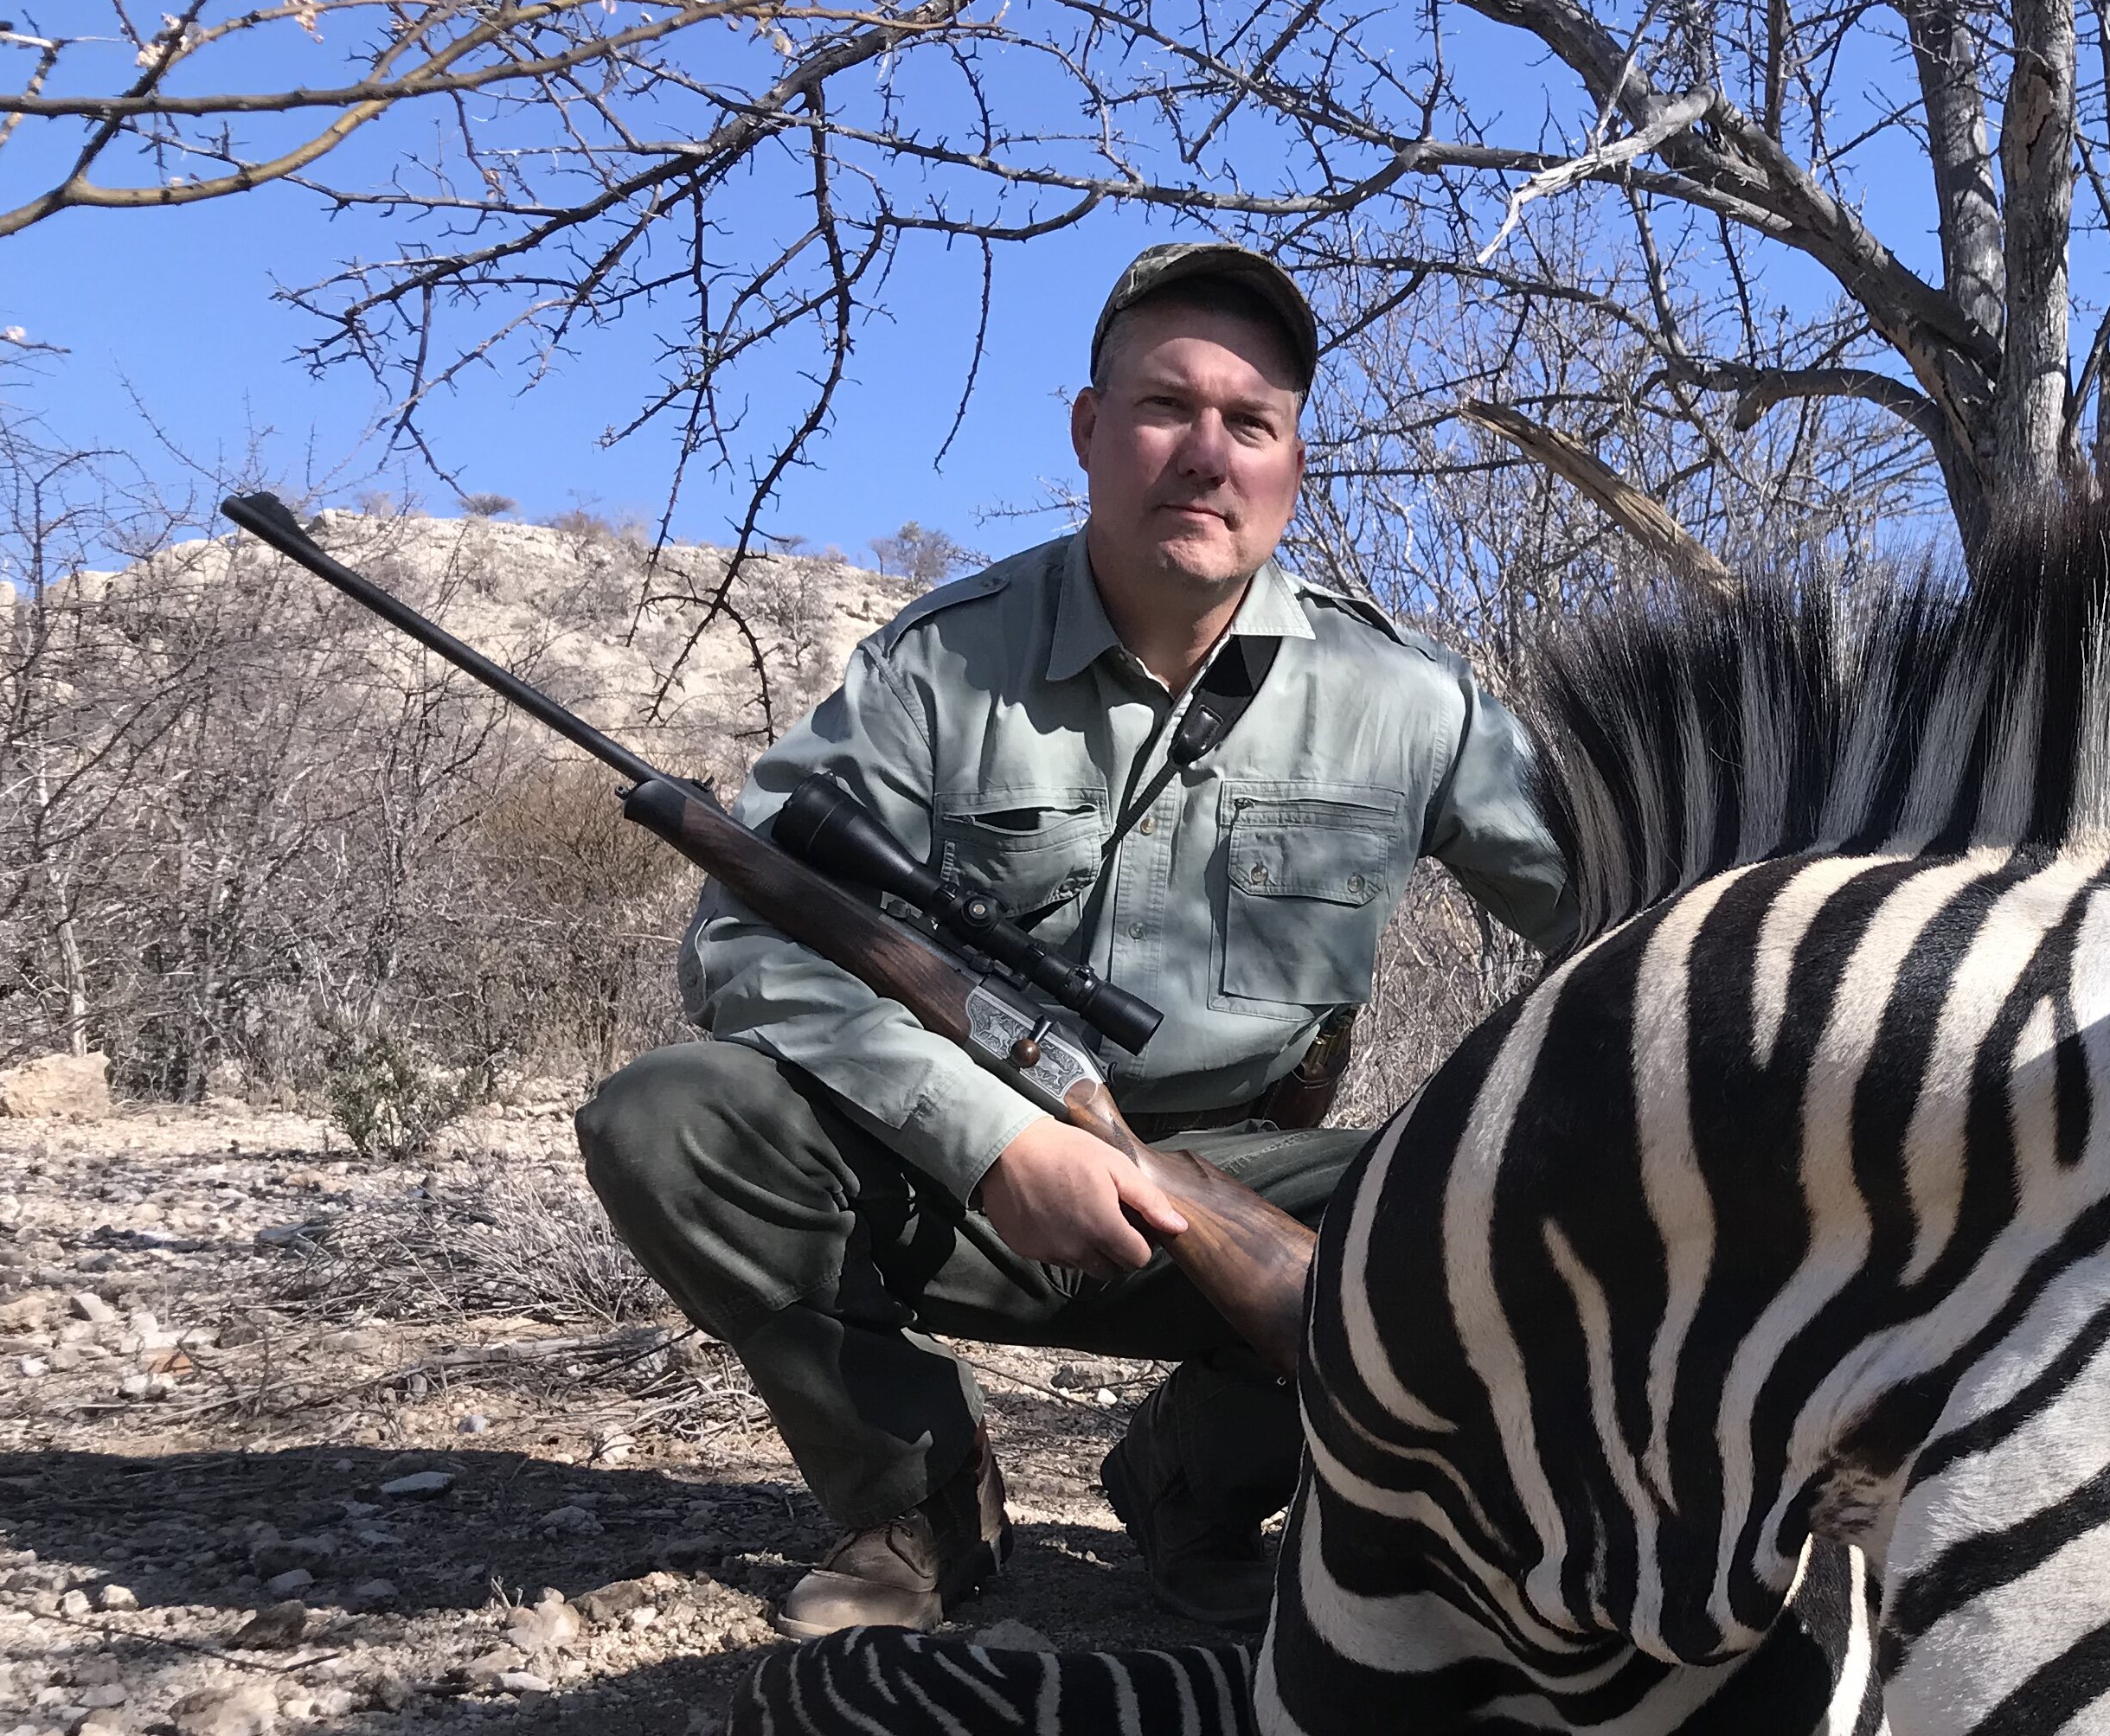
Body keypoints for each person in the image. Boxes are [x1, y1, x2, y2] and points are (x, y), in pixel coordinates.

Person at [576, 242, 1573, 1637]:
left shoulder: (1413, 699)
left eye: (1252, 423)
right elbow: (751, 935)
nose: (1205, 455)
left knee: (1525, 1218)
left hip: (1244, 1175)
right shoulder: (934, 665)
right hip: (953, 1163)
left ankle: (1196, 1490)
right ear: (1091, 430)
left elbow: (1625, 913)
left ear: (1293, 462)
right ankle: (921, 1499)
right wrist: (994, 1135)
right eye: (1166, 408)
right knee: (671, 1116)